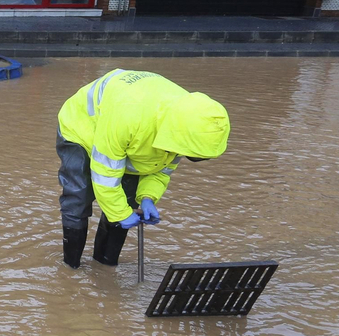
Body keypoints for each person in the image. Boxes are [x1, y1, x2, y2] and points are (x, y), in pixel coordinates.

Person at [56, 69, 230, 269]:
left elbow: (161, 168)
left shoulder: (188, 121)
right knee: (79, 197)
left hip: (132, 133)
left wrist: (147, 197)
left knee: (127, 202)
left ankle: (105, 266)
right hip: (82, 128)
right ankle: (71, 268)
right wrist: (120, 214)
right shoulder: (129, 117)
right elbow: (105, 175)